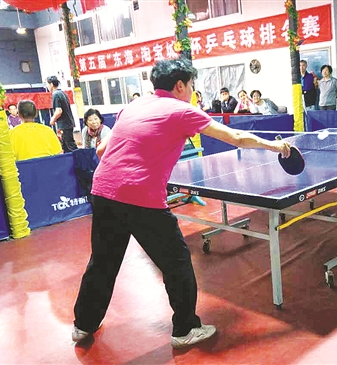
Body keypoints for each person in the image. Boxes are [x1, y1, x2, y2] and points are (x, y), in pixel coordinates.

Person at [71, 58, 292, 348]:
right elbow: (236, 137)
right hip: (140, 196)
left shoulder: (132, 106)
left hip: (103, 190)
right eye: (191, 85)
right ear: (179, 85)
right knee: (176, 263)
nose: (191, 91)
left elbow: (101, 149)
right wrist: (275, 145)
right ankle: (185, 329)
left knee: (102, 262)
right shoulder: (183, 110)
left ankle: (83, 325)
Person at [46, 75, 78, 153]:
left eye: (47, 84)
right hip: (68, 123)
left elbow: (59, 111)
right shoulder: (62, 93)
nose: (47, 86)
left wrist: (52, 119)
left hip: (64, 125)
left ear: (51, 84)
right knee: (66, 146)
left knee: (70, 146)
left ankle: (82, 161)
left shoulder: (55, 94)